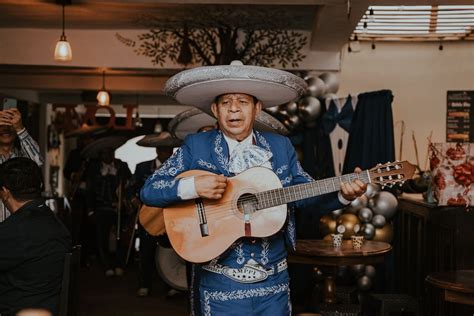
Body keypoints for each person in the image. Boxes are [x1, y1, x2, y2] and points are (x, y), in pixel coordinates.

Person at [140, 61, 367, 315]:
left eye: (243, 102)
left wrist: (342, 195)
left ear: (257, 108)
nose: (234, 110)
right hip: (219, 284)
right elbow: (150, 189)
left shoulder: (281, 147)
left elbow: (305, 194)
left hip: (273, 284)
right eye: (226, 102)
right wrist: (192, 186)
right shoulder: (197, 146)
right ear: (215, 109)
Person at [0, 157, 71, 316]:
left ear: (5, 193)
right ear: (39, 185)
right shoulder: (53, 220)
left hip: (20, 310)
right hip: (49, 305)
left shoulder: (14, 230)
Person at [131, 132, 178, 297]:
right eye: (164, 150)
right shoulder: (143, 167)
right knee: (146, 250)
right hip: (148, 214)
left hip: (171, 215)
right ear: (157, 151)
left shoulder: (179, 167)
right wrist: (134, 198)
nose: (167, 153)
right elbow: (134, 187)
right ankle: (144, 284)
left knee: (171, 250)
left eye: (169, 150)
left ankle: (171, 285)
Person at [85, 146, 131, 277]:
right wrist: (90, 210)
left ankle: (119, 264)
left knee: (120, 238)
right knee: (102, 238)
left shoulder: (121, 165)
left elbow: (129, 183)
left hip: (119, 208)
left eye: (110, 152)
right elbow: (90, 190)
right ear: (100, 155)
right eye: (104, 153)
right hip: (101, 208)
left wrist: (124, 197)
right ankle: (106, 266)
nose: (107, 156)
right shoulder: (94, 168)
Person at [0, 108, 43, 222]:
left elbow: (38, 162)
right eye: (2, 124)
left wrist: (20, 128)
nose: (6, 129)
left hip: (21, 230)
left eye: (10, 124)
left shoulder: (23, 161)